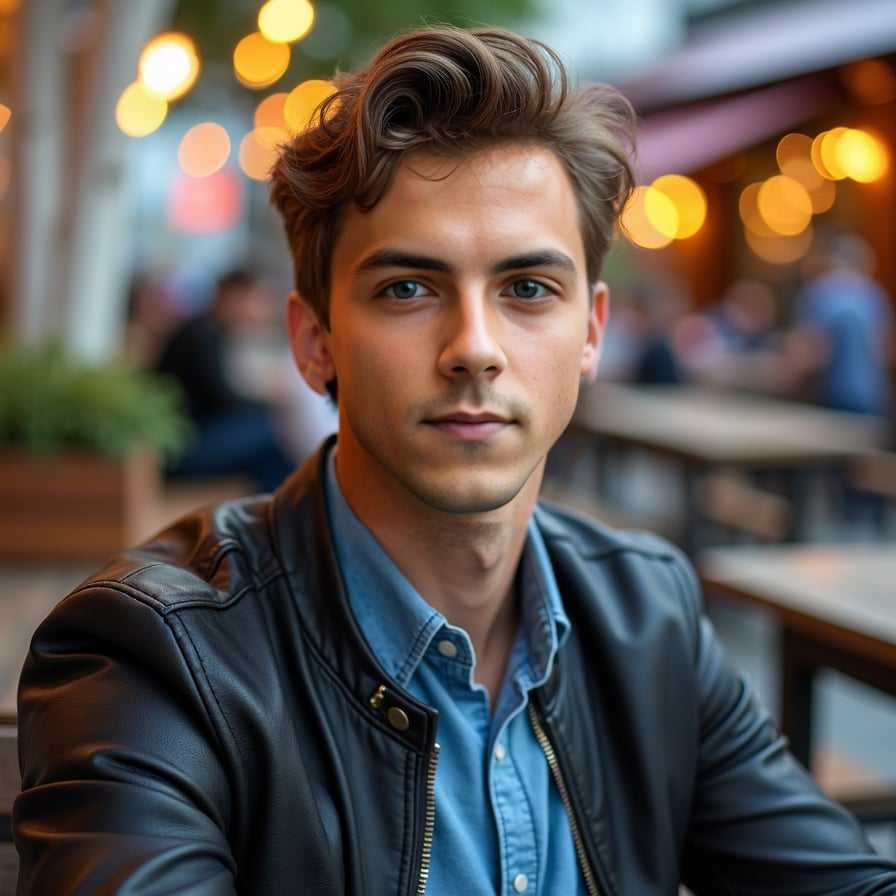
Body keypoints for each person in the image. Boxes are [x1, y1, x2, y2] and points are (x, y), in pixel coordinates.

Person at [13, 25, 896, 896]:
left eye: (526, 289)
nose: (474, 347)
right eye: (407, 289)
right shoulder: (158, 655)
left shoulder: (647, 614)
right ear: (315, 341)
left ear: (590, 332)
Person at [153, 267, 296, 491]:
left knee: (272, 447)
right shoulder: (197, 336)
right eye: (255, 300)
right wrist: (272, 401)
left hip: (192, 440)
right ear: (232, 296)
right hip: (179, 452)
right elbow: (222, 399)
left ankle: (273, 514)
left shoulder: (208, 332)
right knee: (274, 430)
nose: (259, 310)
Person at [790, 230, 894, 416]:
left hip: (833, 399)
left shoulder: (820, 290)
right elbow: (887, 351)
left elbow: (808, 356)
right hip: (875, 397)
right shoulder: (874, 293)